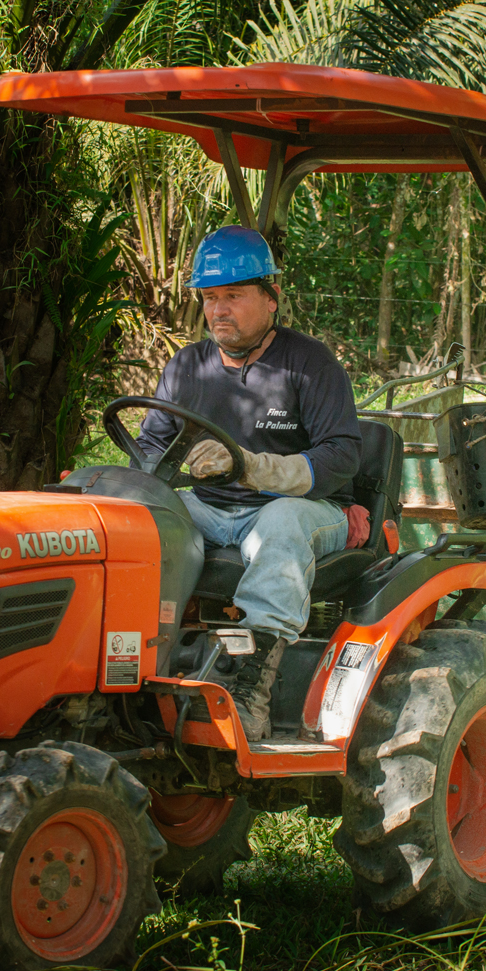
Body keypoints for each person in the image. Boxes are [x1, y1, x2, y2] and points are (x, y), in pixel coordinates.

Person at [139, 226, 362, 740]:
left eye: (234, 296)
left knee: (280, 523)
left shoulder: (311, 365)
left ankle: (248, 686)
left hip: (304, 508)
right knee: (140, 517)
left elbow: (342, 455)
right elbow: (151, 447)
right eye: (210, 297)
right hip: (212, 511)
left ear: (271, 298)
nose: (219, 310)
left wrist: (251, 467)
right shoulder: (186, 367)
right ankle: (144, 657)